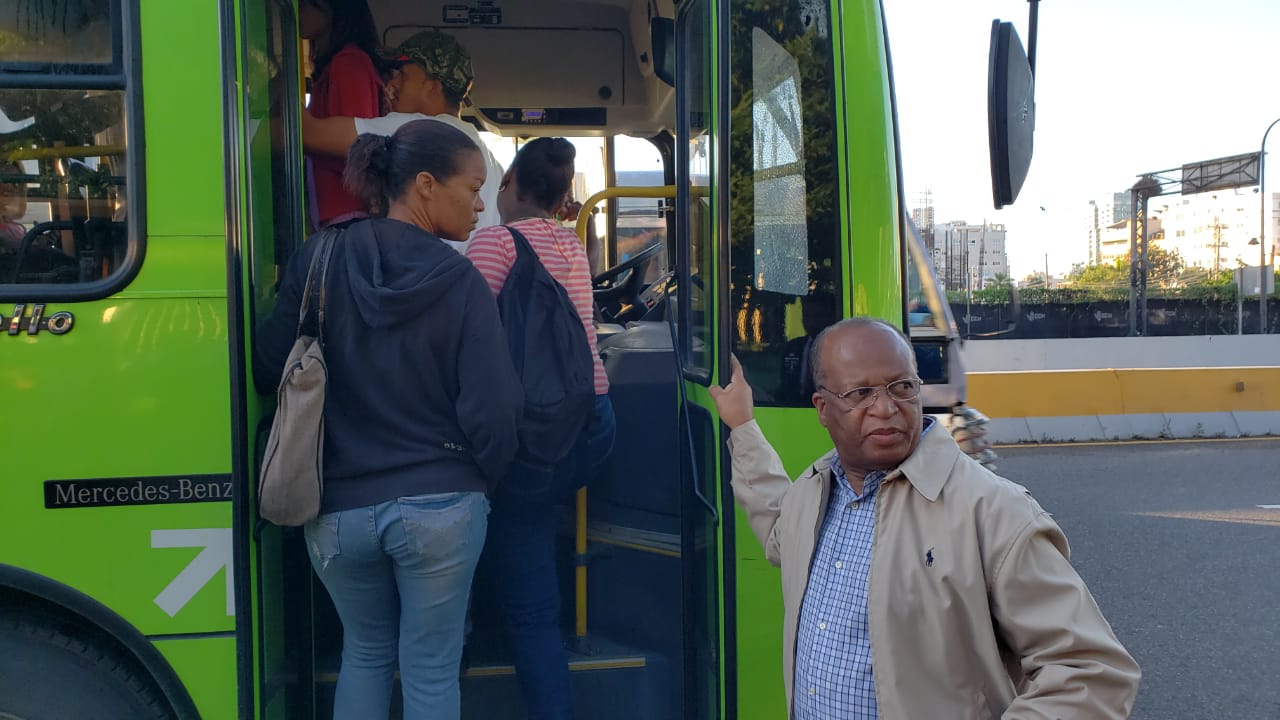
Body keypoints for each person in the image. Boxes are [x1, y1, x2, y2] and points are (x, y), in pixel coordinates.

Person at [709, 317, 1140, 719]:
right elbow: (778, 527)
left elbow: (1090, 671)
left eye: (901, 387)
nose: (885, 408)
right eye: (861, 394)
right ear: (823, 409)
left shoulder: (994, 512)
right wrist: (742, 427)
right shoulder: (814, 492)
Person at [254, 120, 523, 720]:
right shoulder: (460, 281)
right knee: (430, 670)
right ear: (425, 185)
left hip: (337, 510)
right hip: (442, 507)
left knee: (366, 653)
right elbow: (496, 412)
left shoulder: (321, 256)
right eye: (473, 187)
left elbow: (270, 363)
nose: (481, 204)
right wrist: (479, 481)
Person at [464, 137, 616, 720]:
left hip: (533, 434)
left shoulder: (495, 243)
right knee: (527, 516)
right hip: (595, 422)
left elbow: (468, 334)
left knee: (525, 585)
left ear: (510, 187)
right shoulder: (571, 245)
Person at [302, 29, 503, 250]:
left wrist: (276, 75)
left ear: (432, 86)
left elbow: (308, 134)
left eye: (402, 75)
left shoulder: (415, 128)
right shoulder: (489, 158)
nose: (391, 84)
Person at [299, 0, 387, 230]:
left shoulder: (349, 64)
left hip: (349, 216)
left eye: (305, 4)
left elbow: (355, 148)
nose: (298, 10)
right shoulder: (340, 65)